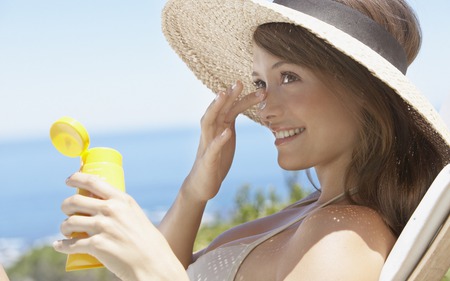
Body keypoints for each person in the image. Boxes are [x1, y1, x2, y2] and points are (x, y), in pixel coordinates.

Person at [53, 0, 450, 280]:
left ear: (364, 90)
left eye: (288, 77)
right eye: (261, 82)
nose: (264, 108)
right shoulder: (319, 210)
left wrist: (151, 269)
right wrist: (196, 189)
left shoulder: (342, 239)